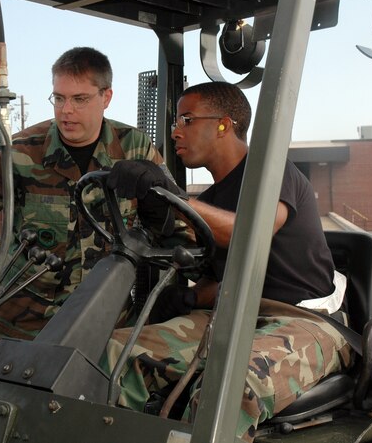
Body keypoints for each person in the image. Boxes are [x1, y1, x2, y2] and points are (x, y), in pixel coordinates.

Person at [102, 81, 352, 442]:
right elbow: (217, 279)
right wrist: (186, 296)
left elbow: (249, 233)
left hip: (303, 319)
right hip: (234, 316)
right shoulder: (215, 197)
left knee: (227, 386)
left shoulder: (270, 172)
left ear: (223, 124)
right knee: (113, 352)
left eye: (186, 120)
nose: (175, 132)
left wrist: (178, 200)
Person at [0, 46, 191, 341]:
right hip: (23, 326)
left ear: (106, 97)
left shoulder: (133, 148)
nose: (66, 110)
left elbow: (176, 220)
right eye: (59, 98)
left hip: (104, 323)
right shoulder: (21, 151)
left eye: (80, 99)